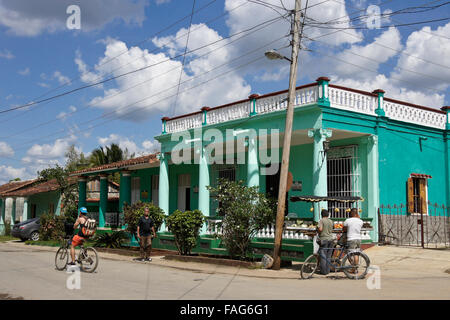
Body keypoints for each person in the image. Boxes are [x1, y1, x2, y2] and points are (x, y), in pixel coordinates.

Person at [317, 209, 334, 275]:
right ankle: (327, 270)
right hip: (331, 239)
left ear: (322, 215)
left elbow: (320, 229)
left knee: (323, 255)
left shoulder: (321, 220)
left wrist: (317, 230)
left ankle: (323, 271)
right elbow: (333, 228)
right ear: (328, 215)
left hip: (323, 239)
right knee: (328, 256)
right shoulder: (331, 221)